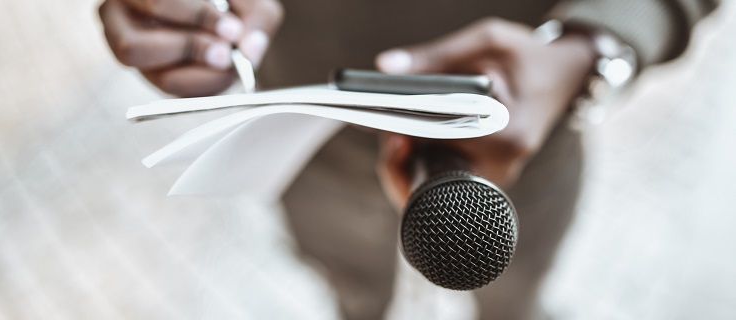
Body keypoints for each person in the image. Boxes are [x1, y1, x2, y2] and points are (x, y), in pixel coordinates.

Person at [98, 0, 719, 318]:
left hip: (516, 157)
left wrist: (596, 45)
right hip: (312, 145)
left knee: (514, 301)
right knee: (353, 289)